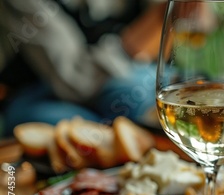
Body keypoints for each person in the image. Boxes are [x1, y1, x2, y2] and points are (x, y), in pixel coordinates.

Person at [0, 0, 167, 136]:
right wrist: (138, 40)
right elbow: (77, 81)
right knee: (91, 124)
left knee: (159, 89)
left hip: (120, 77)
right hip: (40, 92)